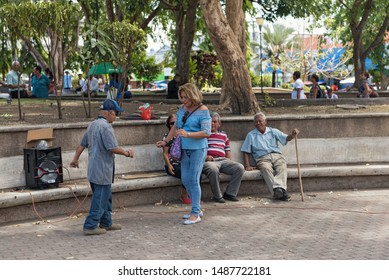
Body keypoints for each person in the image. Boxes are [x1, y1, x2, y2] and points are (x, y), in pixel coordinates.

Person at [70, 99, 135, 235]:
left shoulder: (92, 124)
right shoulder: (106, 127)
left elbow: (82, 144)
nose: (116, 117)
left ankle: (106, 222)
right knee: (100, 199)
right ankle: (90, 225)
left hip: (94, 170)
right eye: (116, 113)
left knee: (106, 197)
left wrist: (75, 159)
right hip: (102, 170)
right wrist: (127, 153)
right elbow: (112, 148)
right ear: (110, 113)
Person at [156, 83, 211, 225]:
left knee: (193, 179)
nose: (183, 100)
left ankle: (195, 212)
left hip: (198, 149)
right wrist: (166, 141)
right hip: (184, 149)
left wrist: (188, 134)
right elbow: (175, 126)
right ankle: (196, 208)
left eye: (185, 97)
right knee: (186, 180)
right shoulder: (182, 109)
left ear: (193, 95)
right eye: (181, 97)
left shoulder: (203, 110)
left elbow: (206, 132)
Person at [241, 113, 299, 201]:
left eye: (260, 121)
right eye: (256, 122)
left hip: (276, 155)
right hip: (262, 158)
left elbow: (286, 138)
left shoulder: (273, 131)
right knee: (265, 168)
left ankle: (278, 191)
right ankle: (280, 193)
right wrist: (247, 166)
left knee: (282, 166)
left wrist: (292, 135)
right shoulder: (251, 135)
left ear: (265, 122)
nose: (258, 123)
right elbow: (245, 151)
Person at [202, 112, 245, 203]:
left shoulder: (224, 135)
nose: (212, 124)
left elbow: (227, 151)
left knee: (239, 167)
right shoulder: (203, 134)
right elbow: (198, 151)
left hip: (223, 160)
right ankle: (217, 196)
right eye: (210, 122)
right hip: (209, 161)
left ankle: (230, 194)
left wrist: (228, 161)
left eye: (214, 122)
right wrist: (205, 157)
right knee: (213, 169)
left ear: (219, 124)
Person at [162, 114, 191, 204]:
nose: (175, 125)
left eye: (177, 123)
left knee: (197, 173)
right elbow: (165, 153)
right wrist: (169, 165)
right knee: (185, 174)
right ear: (169, 125)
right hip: (172, 164)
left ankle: (194, 195)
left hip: (184, 162)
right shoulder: (167, 137)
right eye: (172, 123)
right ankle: (184, 195)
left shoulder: (184, 134)